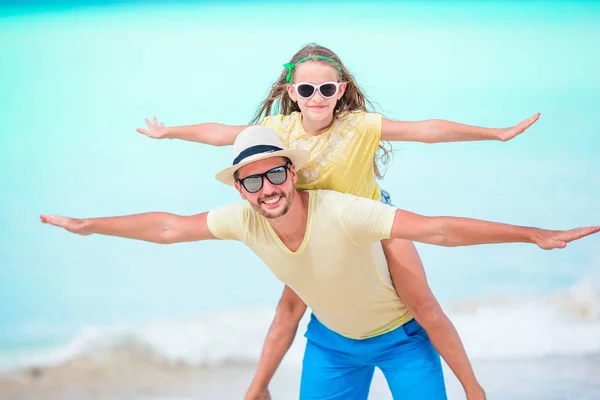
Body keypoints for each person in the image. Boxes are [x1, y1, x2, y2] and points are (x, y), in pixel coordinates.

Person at [41, 126, 598, 400]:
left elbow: (438, 230)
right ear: (241, 189)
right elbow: (168, 227)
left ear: (292, 172)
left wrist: (534, 234)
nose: (267, 188)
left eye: (275, 172)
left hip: (403, 340)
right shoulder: (245, 222)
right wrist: (92, 226)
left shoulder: (346, 213)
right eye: (251, 180)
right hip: (331, 347)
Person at [135, 43, 541, 399]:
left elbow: (427, 130)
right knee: (289, 307)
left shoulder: (359, 126)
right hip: (315, 230)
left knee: (423, 306)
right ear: (291, 91)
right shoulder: (277, 129)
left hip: (374, 221)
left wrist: (496, 134)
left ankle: (474, 390)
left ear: (340, 90)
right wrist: (170, 132)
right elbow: (221, 134)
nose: (317, 97)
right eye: (307, 89)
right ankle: (259, 387)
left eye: (327, 89)